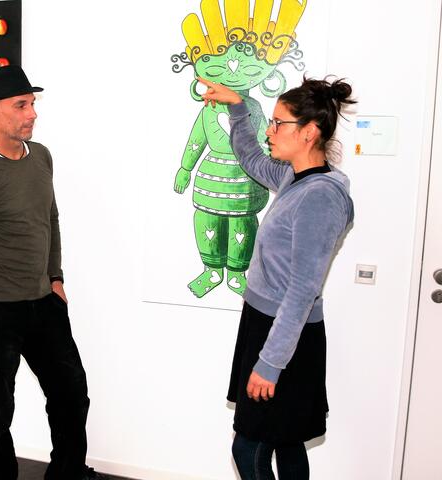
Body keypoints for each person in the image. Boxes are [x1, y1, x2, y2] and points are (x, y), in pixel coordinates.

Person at [0, 65, 106, 480]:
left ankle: (67, 472)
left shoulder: (41, 156)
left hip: (45, 303)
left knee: (72, 395)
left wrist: (56, 278)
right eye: (21, 105)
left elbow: (51, 218)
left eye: (32, 103)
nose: (32, 113)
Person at [198, 75, 355, 479]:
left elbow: (302, 291)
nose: (269, 131)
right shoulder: (295, 178)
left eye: (278, 123)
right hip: (269, 325)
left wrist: (269, 363)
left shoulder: (319, 197)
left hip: (285, 335)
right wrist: (237, 107)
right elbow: (252, 160)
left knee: (248, 446)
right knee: (286, 441)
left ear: (308, 132)